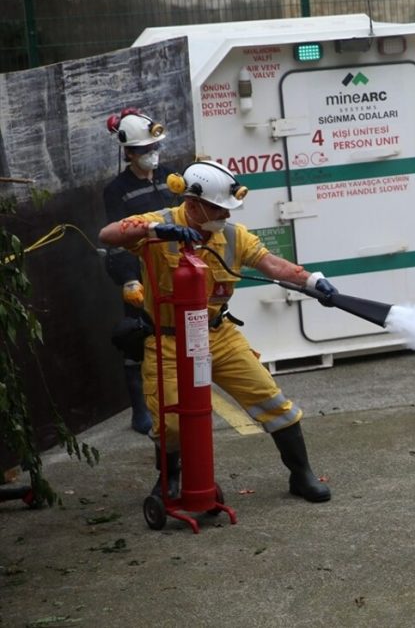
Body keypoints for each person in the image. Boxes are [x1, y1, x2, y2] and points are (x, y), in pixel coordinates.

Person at [97, 160, 337, 503]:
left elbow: (272, 265)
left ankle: (301, 474)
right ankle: (170, 480)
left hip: (217, 334)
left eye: (227, 209)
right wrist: (154, 233)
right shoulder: (159, 223)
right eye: (217, 208)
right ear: (192, 204)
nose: (224, 216)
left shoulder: (233, 236)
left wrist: (312, 281)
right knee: (171, 422)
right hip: (167, 339)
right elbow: (108, 235)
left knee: (273, 402)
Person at [101, 108, 178, 434]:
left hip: (173, 269)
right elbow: (116, 239)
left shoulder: (171, 178)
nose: (152, 154)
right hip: (141, 272)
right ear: (129, 152)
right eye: (145, 150)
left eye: (155, 147)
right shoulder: (116, 190)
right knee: (137, 339)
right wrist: (128, 279)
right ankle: (140, 411)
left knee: (176, 338)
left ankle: (176, 401)